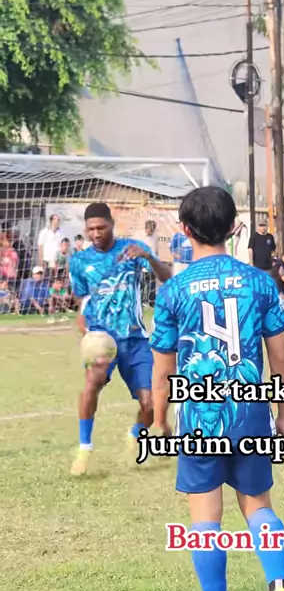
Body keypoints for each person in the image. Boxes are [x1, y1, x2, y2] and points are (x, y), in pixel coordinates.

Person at [151, 186, 284, 591]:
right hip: (250, 412)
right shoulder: (259, 282)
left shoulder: (173, 290)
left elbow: (163, 369)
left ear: (184, 230)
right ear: (235, 228)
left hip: (200, 417)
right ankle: (278, 589)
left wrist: (159, 420)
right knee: (259, 507)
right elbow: (280, 358)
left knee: (205, 520)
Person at [68, 202, 171, 477]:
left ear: (112, 225)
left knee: (150, 403)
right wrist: (84, 324)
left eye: (101, 227)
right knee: (92, 384)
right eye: (91, 229)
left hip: (135, 339)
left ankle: (135, 434)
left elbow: (167, 277)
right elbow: (81, 298)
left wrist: (148, 257)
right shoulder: (79, 261)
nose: (96, 233)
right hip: (102, 338)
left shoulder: (133, 249)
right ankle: (85, 448)